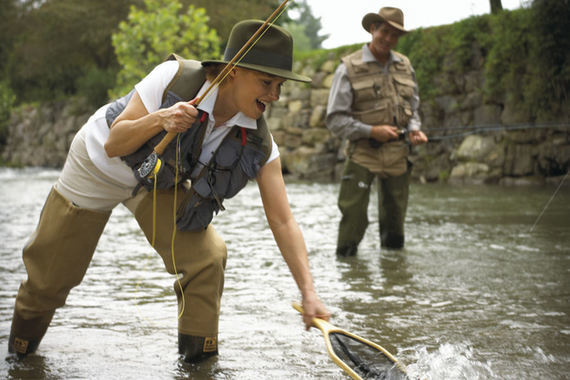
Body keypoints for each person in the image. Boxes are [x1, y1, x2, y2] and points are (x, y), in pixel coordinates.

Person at [8, 19, 330, 363]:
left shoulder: (259, 143)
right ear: (231, 71)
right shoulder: (172, 77)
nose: (274, 96)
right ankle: (18, 359)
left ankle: (198, 364)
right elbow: (115, 143)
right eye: (267, 82)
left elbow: (283, 221)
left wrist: (308, 292)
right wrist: (160, 119)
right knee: (50, 280)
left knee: (207, 258)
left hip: (156, 183)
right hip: (97, 166)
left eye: (280, 85)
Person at [326, 7, 428, 256]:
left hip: (398, 156)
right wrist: (372, 131)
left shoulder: (405, 65)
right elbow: (335, 120)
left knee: (395, 228)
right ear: (373, 29)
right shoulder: (348, 67)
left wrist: (414, 130)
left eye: (395, 35)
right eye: (384, 32)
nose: (389, 39)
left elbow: (413, 109)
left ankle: (393, 284)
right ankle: (349, 276)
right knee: (352, 219)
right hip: (362, 154)